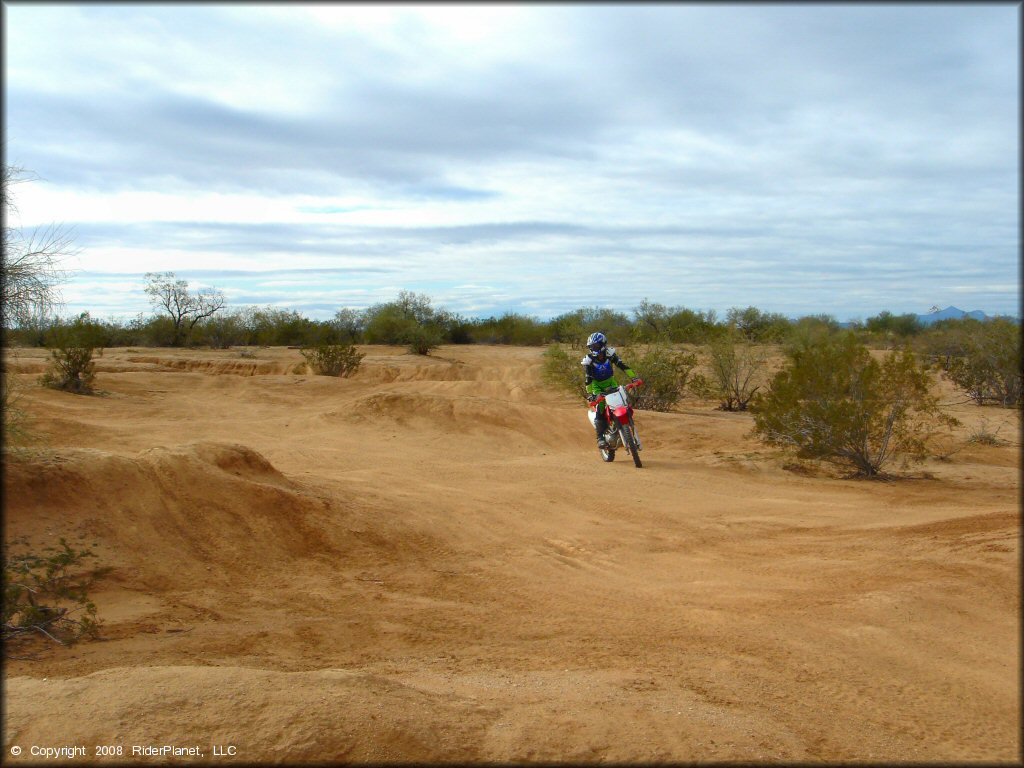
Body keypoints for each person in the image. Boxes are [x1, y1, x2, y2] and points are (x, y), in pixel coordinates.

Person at [581, 331, 639, 449]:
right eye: (591, 347)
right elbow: (588, 379)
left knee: (623, 401)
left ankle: (623, 425)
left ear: (602, 344)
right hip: (597, 386)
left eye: (595, 346)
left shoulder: (610, 354)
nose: (593, 349)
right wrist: (591, 394)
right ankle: (600, 438)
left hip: (611, 382)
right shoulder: (589, 360)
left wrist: (634, 378)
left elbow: (623, 366)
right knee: (600, 407)